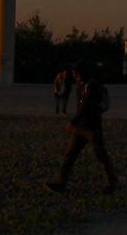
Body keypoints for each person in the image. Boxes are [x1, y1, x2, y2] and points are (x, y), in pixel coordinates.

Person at [46, 64, 117, 195]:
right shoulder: (81, 87)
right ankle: (60, 183)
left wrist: (73, 122)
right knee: (70, 155)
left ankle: (112, 183)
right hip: (81, 127)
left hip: (91, 127)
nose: (75, 76)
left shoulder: (91, 86)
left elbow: (87, 106)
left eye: (76, 73)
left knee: (100, 155)